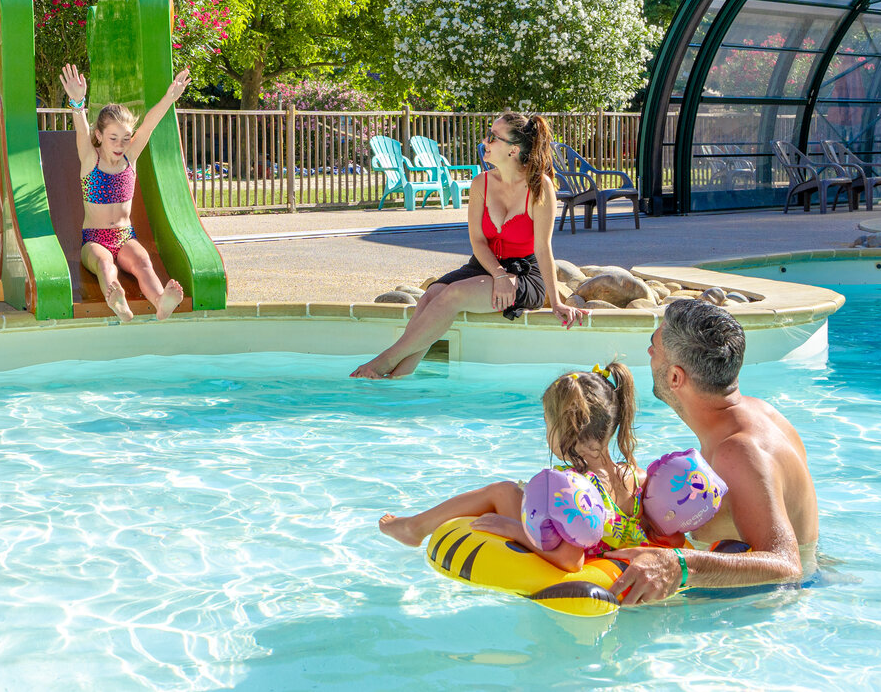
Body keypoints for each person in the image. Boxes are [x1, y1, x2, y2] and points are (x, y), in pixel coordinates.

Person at [606, 298, 820, 603]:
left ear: (675, 377)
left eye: (653, 347)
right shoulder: (762, 415)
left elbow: (787, 566)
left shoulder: (739, 452)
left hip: (765, 622)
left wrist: (678, 566)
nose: (650, 354)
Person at [351, 112, 583, 378]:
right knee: (430, 295)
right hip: (484, 265)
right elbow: (478, 241)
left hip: (523, 274)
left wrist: (555, 302)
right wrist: (498, 274)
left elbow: (543, 248)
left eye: (494, 137)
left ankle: (383, 361)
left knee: (453, 295)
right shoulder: (481, 183)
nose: (486, 141)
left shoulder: (539, 186)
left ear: (513, 150)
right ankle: (397, 378)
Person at [378, 362, 655, 571]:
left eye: (548, 423)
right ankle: (414, 526)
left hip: (587, 561)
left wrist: (511, 527)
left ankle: (414, 528)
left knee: (504, 492)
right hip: (618, 560)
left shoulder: (573, 486)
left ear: (564, 428)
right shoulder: (635, 475)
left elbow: (571, 560)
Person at [59, 62, 190, 323]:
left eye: (126, 137)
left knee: (142, 260)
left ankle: (161, 302)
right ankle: (117, 302)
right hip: (94, 240)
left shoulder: (130, 158)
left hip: (125, 236)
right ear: (99, 135)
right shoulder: (90, 160)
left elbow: (150, 124)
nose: (121, 144)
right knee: (104, 264)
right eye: (113, 138)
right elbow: (80, 130)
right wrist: (77, 102)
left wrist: (169, 97)